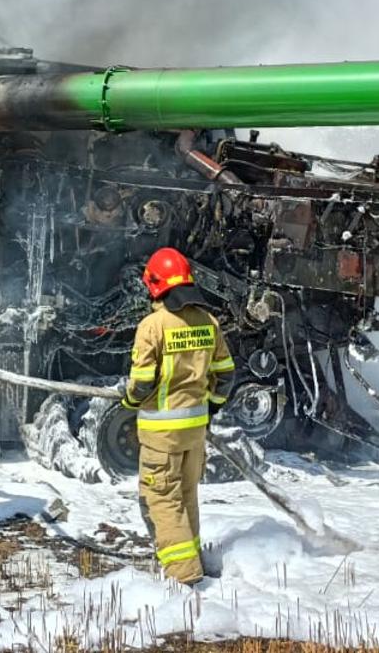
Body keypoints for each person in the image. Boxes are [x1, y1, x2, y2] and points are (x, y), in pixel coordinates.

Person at [122, 247, 235, 586]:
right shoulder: (208, 321)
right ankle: (193, 558)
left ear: (155, 285)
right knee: (187, 497)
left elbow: (141, 384)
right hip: (194, 433)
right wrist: (211, 407)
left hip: (161, 435)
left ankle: (184, 577)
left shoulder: (152, 326)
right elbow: (226, 374)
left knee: (162, 499)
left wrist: (128, 401)